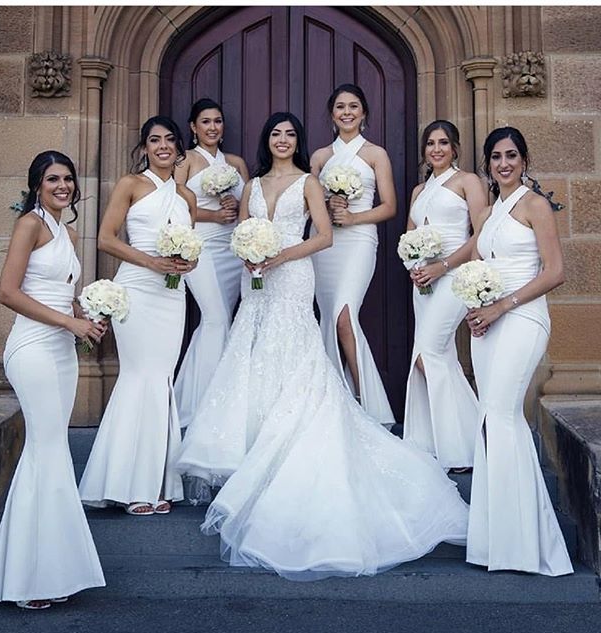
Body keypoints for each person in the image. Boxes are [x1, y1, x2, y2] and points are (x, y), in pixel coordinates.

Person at [173, 113, 468, 581]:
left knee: (294, 349)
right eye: (275, 133)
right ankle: (249, 452)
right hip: (256, 282)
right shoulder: (251, 186)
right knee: (251, 352)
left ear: (299, 141)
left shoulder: (310, 182)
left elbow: (325, 236)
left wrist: (280, 256)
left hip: (291, 275)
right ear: (266, 141)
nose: (283, 140)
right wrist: (250, 255)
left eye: (290, 134)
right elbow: (234, 237)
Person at [0, 151, 106, 609]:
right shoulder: (29, 225)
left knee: (50, 451)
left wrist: (85, 316)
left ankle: (48, 569)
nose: (63, 186)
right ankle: (29, 579)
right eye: (53, 178)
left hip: (62, 351)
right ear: (37, 184)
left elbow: (62, 293)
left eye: (68, 179)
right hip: (31, 348)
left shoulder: (67, 232)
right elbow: (7, 292)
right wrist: (67, 323)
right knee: (46, 448)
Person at [465, 126, 573, 576]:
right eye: (495, 157)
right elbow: (477, 259)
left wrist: (501, 306)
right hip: (489, 321)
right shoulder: (490, 211)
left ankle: (524, 543)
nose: (503, 163)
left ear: (524, 160)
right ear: (488, 164)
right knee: (493, 419)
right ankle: (498, 537)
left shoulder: (535, 205)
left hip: (523, 319)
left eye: (511, 155)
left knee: (502, 412)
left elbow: (555, 272)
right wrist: (476, 303)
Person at [79, 116, 197, 516]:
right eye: (153, 140)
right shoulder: (131, 185)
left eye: (168, 140)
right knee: (137, 375)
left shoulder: (187, 197)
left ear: (180, 147)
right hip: (138, 288)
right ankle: (125, 484)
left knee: (162, 378)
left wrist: (185, 265)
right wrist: (152, 261)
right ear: (144, 148)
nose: (162, 146)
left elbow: (191, 254)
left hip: (172, 295)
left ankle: (158, 483)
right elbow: (106, 239)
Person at [310, 83, 397, 425]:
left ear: (364, 113)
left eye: (354, 107)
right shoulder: (319, 157)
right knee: (327, 319)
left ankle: (368, 407)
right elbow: (306, 205)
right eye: (340, 107)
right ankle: (334, 404)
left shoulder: (376, 154)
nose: (347, 112)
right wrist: (327, 208)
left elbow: (390, 206)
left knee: (344, 317)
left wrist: (354, 216)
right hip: (327, 246)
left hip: (360, 240)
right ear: (332, 115)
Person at [402, 121, 485, 471]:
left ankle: (470, 441)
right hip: (423, 283)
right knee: (439, 358)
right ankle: (439, 443)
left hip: (454, 278)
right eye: (431, 143)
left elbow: (483, 235)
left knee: (428, 355)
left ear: (455, 148)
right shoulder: (420, 190)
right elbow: (409, 238)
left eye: (443, 143)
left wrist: (443, 265)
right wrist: (414, 266)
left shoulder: (468, 182)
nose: (436, 149)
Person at [173, 98, 249, 428]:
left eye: (217, 121)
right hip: (200, 245)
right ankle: (202, 407)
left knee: (219, 322)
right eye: (205, 121)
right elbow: (173, 204)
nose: (213, 127)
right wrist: (213, 214)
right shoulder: (185, 160)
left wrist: (235, 205)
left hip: (232, 249)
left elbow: (251, 202)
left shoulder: (235, 162)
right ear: (193, 127)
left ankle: (193, 399)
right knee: (215, 318)